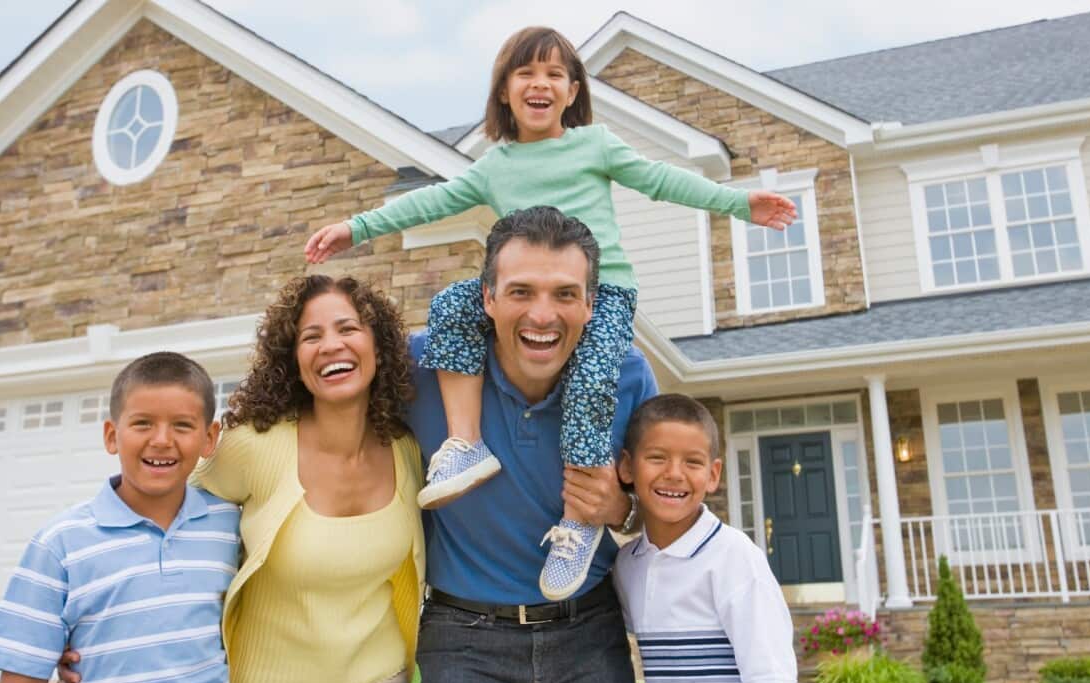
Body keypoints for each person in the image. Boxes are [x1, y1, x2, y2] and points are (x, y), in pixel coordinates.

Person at [305, 26, 797, 601]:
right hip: (522, 294)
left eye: (554, 74)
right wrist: (355, 227)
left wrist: (738, 202)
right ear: (505, 92)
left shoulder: (596, 145)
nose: (540, 84)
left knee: (591, 381)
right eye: (526, 73)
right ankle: (466, 444)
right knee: (449, 307)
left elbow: (661, 180)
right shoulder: (495, 166)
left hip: (601, 294)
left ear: (572, 91)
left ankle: (580, 521)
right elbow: (430, 200)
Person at [58, 276, 426, 683]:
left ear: (378, 346)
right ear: (293, 360)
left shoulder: (406, 451)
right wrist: (95, 629)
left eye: (348, 329)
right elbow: (162, 525)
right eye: (312, 336)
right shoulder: (254, 445)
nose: (331, 345)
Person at [409, 206, 652, 683]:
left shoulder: (627, 377)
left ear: (590, 305)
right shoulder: (422, 367)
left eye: (564, 294)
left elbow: (667, 504)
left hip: (587, 631)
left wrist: (619, 508)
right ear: (488, 298)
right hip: (462, 638)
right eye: (521, 291)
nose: (542, 315)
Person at [0, 352, 238, 683]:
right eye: (143, 423)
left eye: (182, 425)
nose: (161, 440)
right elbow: (22, 682)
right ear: (112, 436)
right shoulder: (60, 545)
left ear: (209, 438)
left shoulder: (229, 526)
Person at [613, 394, 799, 683]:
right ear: (627, 466)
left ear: (713, 474)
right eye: (657, 457)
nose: (674, 473)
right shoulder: (627, 566)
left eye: (693, 462)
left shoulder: (735, 559)